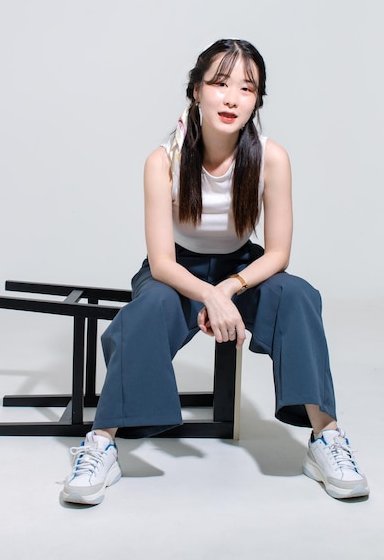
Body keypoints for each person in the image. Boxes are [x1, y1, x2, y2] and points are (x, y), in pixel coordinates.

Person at [61, 38, 369, 505]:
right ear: (196, 91)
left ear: (256, 102)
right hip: (176, 271)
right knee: (148, 310)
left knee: (298, 294)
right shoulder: (162, 160)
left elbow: (279, 253)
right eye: (220, 84)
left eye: (246, 89)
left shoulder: (271, 158)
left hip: (242, 269)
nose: (231, 98)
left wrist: (224, 290)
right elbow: (162, 262)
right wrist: (206, 294)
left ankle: (326, 437)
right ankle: (102, 443)